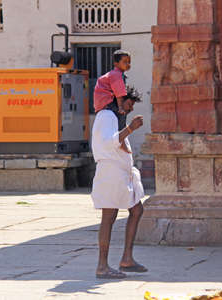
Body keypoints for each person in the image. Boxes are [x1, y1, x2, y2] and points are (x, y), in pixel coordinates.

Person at [91, 87, 148, 279]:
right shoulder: (106, 115)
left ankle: (127, 259)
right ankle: (102, 266)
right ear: (119, 100)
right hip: (111, 173)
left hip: (121, 174)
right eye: (129, 104)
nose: (130, 109)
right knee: (109, 218)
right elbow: (109, 143)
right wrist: (130, 128)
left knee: (137, 210)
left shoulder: (114, 118)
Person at [93, 50, 131, 153]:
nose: (128, 64)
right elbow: (119, 93)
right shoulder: (116, 75)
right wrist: (121, 108)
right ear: (116, 63)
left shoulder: (119, 75)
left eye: (129, 61)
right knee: (121, 115)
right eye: (125, 62)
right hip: (106, 102)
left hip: (105, 101)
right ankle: (121, 140)